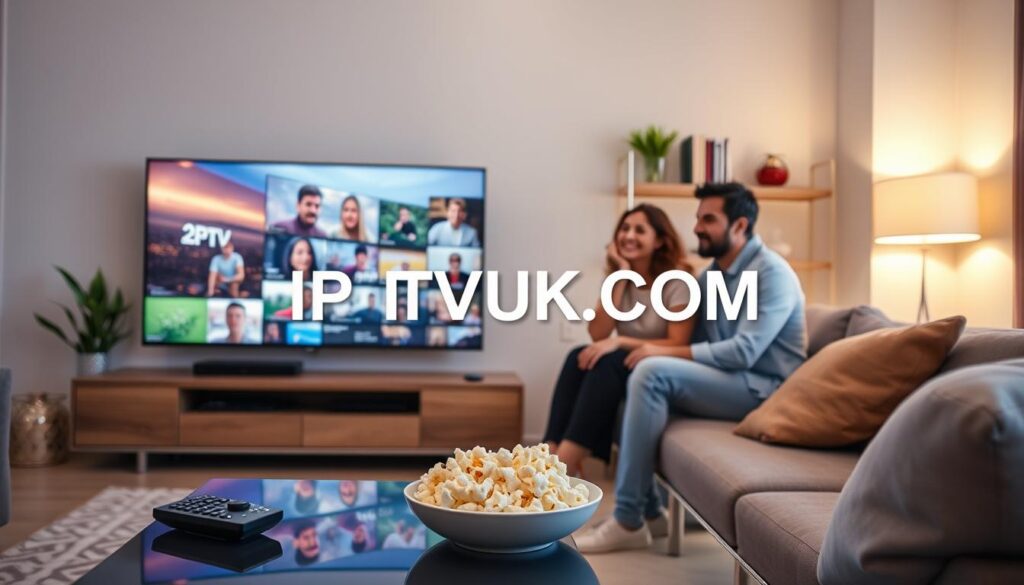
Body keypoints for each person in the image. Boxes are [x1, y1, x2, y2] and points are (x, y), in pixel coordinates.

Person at [576, 182, 807, 554]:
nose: (697, 227)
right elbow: (686, 337)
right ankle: (651, 511)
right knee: (625, 373)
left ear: (740, 226)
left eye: (709, 219)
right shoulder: (711, 276)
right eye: (698, 218)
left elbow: (745, 351)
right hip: (728, 382)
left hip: (764, 389)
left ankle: (628, 517)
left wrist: (654, 352)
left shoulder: (772, 274)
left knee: (651, 372)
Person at [543, 203, 694, 484]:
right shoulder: (618, 279)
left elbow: (678, 342)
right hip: (627, 361)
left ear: (660, 240)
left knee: (608, 362)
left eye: (640, 230)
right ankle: (549, 453)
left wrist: (621, 341)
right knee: (579, 355)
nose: (629, 236)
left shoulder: (678, 281)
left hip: (661, 365)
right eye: (624, 228)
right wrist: (621, 274)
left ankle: (562, 466)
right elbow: (598, 334)